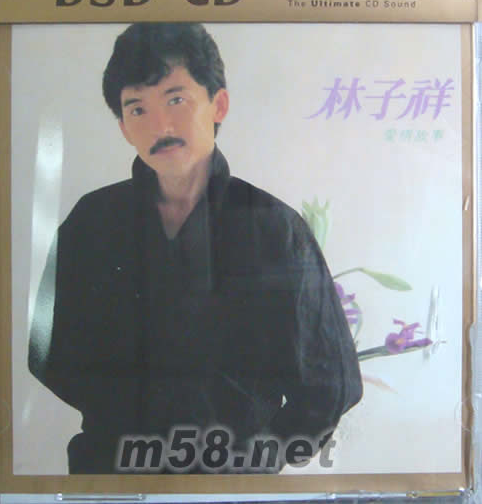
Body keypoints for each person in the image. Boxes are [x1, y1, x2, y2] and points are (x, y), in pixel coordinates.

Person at [29, 23, 362, 474]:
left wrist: (262, 453)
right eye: (137, 108)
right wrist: (123, 414)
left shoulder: (274, 227)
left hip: (233, 475)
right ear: (124, 128)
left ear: (218, 104)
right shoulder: (91, 221)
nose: (160, 125)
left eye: (176, 100)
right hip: (114, 469)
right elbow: (48, 355)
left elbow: (331, 382)